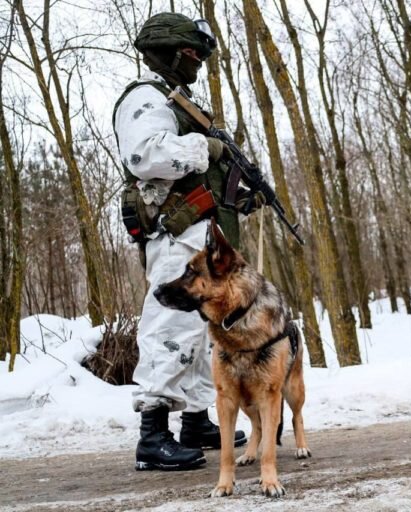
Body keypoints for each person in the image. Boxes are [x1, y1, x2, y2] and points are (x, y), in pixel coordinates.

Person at [114, 13, 256, 471]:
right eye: (192, 53)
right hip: (176, 237)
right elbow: (145, 155)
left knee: (199, 333)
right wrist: (203, 148)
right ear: (170, 52)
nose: (197, 62)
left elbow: (203, 177)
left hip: (203, 238)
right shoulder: (146, 97)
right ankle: (153, 434)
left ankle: (195, 421)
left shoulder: (180, 102)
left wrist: (238, 196)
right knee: (170, 328)